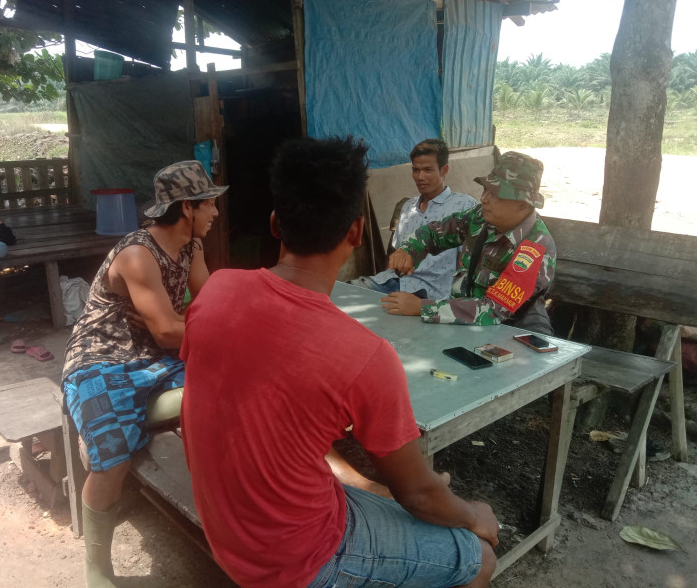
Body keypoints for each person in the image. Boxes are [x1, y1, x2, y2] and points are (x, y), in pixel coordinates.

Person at [180, 137, 498, 588]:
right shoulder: (366, 356)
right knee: (478, 557)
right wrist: (475, 515)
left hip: (228, 528)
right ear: (355, 232)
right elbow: (421, 494)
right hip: (298, 558)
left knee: (383, 494)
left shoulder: (216, 291)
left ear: (274, 224)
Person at [61, 160, 227, 588]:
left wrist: (207, 321)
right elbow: (171, 330)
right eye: (210, 205)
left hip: (155, 355)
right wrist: (198, 324)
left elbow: (208, 307)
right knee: (112, 456)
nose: (216, 213)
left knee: (231, 393)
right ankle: (96, 569)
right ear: (187, 208)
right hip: (101, 358)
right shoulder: (137, 253)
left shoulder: (191, 248)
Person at [382, 151, 556, 335]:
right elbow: (434, 233)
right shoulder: (480, 216)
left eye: (496, 193)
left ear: (523, 203)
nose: (484, 198)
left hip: (507, 335)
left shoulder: (534, 249)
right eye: (485, 189)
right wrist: (408, 250)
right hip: (460, 322)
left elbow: (493, 311)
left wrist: (422, 308)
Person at [349, 138, 477, 300]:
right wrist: (383, 277)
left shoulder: (463, 205)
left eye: (428, 170)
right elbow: (395, 255)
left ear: (444, 170)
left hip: (429, 292)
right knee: (346, 291)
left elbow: (464, 263)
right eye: (415, 170)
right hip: (393, 283)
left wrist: (450, 306)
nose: (420, 177)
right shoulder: (408, 207)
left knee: (351, 296)